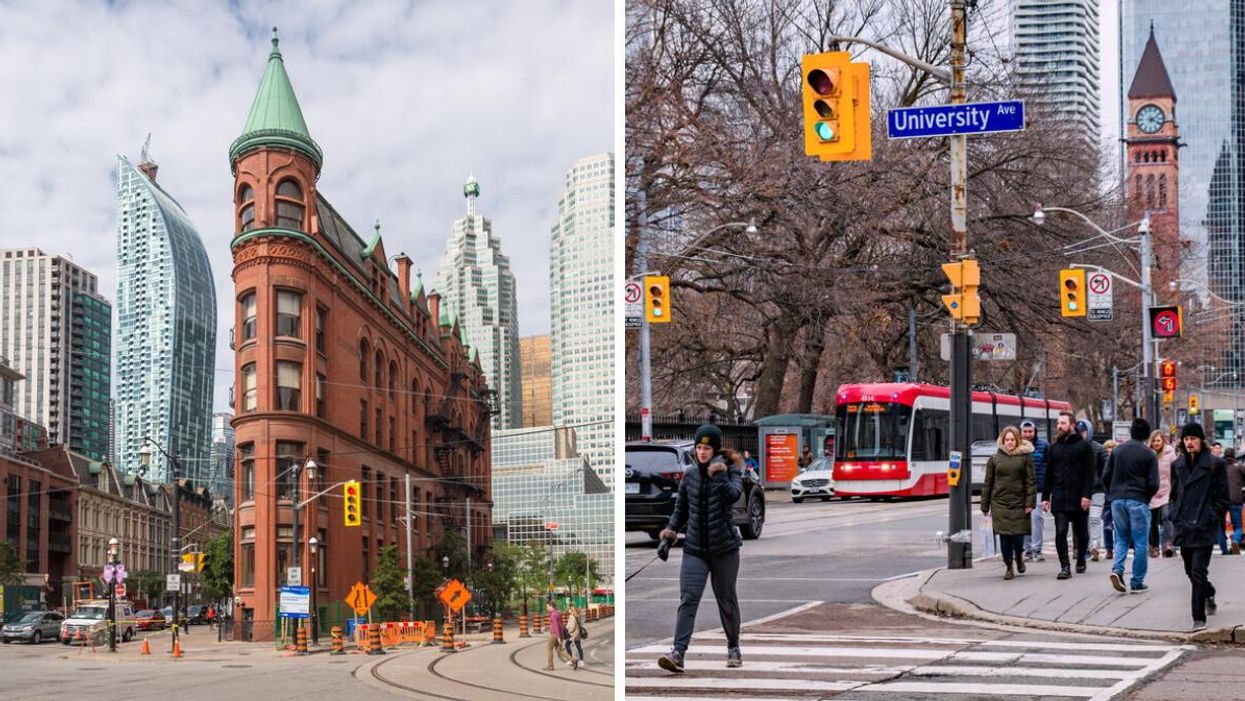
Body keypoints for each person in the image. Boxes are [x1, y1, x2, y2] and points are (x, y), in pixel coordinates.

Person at [657, 424, 744, 673]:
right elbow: (680, 510)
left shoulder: (730, 471)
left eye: (706, 448)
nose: (701, 452)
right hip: (695, 549)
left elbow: (733, 496)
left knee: (726, 599)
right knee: (688, 599)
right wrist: (668, 536)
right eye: (698, 447)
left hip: (725, 549)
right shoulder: (690, 475)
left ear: (715, 449)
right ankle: (678, 653)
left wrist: (718, 475)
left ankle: (733, 647)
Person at [1170, 422, 1230, 629]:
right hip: (1184, 526)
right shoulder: (1177, 465)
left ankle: (1198, 618)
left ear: (1200, 441)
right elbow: (1174, 494)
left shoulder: (1215, 464)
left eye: (1193, 439)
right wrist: (1174, 514)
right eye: (1186, 439)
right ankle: (1209, 592)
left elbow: (1223, 498)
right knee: (1190, 571)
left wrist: (1210, 516)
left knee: (1197, 571)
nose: (1189, 442)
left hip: (1203, 526)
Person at [1103, 418, 1159, 594]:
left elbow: (1106, 475)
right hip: (1138, 499)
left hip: (1117, 499)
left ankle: (1117, 570)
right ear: (1147, 434)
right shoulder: (1149, 454)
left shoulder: (1118, 451)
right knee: (1140, 542)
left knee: (1121, 538)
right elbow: (1154, 483)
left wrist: (1112, 493)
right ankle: (1137, 581)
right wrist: (1145, 496)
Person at [1042, 412, 1095, 579]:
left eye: (1063, 423)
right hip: (1059, 496)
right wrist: (1045, 497)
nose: (1059, 426)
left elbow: (1089, 474)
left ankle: (1081, 558)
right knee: (1060, 531)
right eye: (1058, 423)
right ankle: (1065, 566)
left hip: (1078, 497)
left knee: (1082, 533)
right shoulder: (1054, 448)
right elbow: (1048, 474)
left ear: (1072, 425)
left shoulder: (1084, 446)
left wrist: (1086, 495)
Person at [981, 425, 1036, 580]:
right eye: (1007, 440)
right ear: (1002, 441)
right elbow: (988, 483)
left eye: (1012, 439)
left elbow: (1030, 482)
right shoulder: (994, 459)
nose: (1010, 442)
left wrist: (1029, 503)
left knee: (1018, 538)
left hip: (1019, 503)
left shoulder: (1025, 457)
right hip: (1000, 503)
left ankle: (1019, 556)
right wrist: (985, 506)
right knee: (1004, 538)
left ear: (1017, 441)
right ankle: (1009, 567)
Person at [1077, 420, 1109, 561]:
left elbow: (1107, 468)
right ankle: (1086, 548)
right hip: (1079, 490)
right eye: (1078, 432)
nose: (1081, 434)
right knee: (1082, 521)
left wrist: (1101, 483)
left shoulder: (1099, 449)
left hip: (1097, 490)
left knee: (1094, 518)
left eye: (1083, 431)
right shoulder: (1074, 448)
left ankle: (1094, 545)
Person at [1021, 420, 1050, 562]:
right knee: (1024, 519)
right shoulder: (1017, 446)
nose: (1027, 434)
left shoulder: (1044, 446)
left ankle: (1037, 549)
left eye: (1030, 431)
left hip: (1039, 488)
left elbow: (1050, 466)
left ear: (1035, 431)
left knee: (1036, 518)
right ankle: (1027, 550)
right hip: (1021, 490)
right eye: (1025, 432)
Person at [1149, 431, 1176, 558]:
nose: (1156, 443)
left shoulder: (1170, 454)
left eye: (1158, 441)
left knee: (1166, 516)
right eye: (1154, 441)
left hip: (1167, 491)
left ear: (1163, 441)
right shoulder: (1148, 454)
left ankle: (1168, 544)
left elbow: (1176, 472)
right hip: (1151, 492)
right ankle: (1154, 547)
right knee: (1152, 521)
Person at [1219, 449, 1245, 555]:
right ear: (1234, 456)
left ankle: (1224, 550)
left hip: (1221, 500)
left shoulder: (1219, 466)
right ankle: (1235, 540)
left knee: (1220, 527)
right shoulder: (1239, 466)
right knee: (1238, 525)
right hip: (1236, 499)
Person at [544, 601, 577, 670]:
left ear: (551, 606)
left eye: (547, 606)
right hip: (560, 634)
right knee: (560, 651)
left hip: (554, 634)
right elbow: (561, 625)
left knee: (549, 650)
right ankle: (572, 660)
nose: (546, 608)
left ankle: (550, 666)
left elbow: (556, 626)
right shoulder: (558, 613)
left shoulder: (553, 615)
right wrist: (560, 636)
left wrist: (558, 637)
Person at [1103, 439, 1117, 558]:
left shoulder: (1118, 462)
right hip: (1107, 496)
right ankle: (1109, 549)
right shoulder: (1103, 462)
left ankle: (1115, 548)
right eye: (1108, 451)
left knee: (1118, 524)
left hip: (1116, 495)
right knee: (1107, 524)